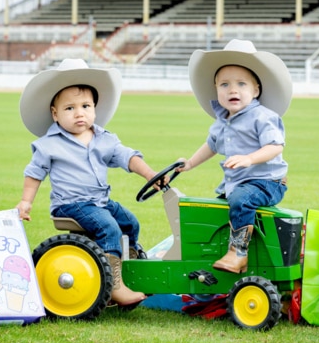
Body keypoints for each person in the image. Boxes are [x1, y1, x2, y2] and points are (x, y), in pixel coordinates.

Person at [16, 58, 163, 306]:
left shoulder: (103, 138)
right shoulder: (49, 144)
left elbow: (128, 157)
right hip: (71, 204)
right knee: (109, 228)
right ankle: (113, 282)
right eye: (69, 108)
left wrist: (150, 174)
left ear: (95, 108)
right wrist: (25, 202)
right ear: (55, 113)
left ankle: (131, 266)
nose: (79, 113)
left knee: (129, 222)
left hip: (99, 202)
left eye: (85, 106)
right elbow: (35, 173)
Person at [177, 39, 293, 274]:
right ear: (216, 89)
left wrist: (249, 158)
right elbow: (210, 146)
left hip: (267, 182)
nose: (232, 90)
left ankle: (238, 252)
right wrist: (189, 163)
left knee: (241, 200)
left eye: (241, 84)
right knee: (217, 206)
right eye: (225, 85)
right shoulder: (222, 121)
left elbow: (275, 146)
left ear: (256, 90)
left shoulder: (263, 116)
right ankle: (208, 253)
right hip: (238, 183)